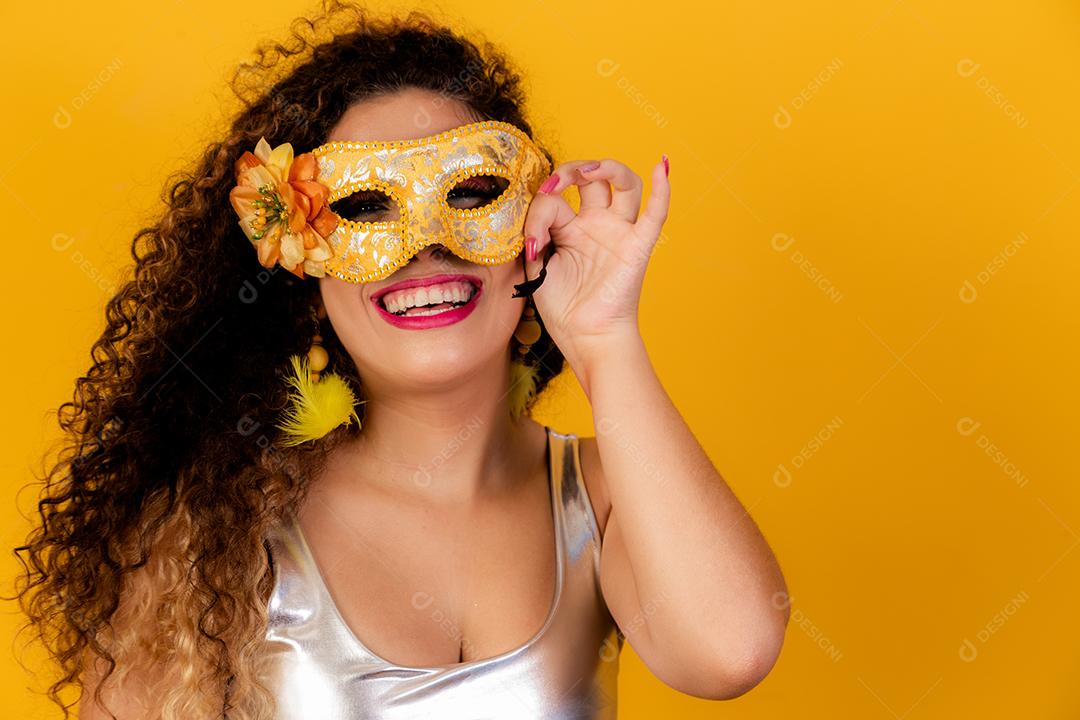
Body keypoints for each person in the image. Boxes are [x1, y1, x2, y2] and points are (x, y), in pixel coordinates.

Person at [11, 3, 789, 718]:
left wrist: (605, 335)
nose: (424, 245)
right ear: (304, 277)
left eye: (473, 193)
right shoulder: (213, 536)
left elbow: (729, 653)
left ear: (533, 237)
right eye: (362, 207)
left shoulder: (607, 496)